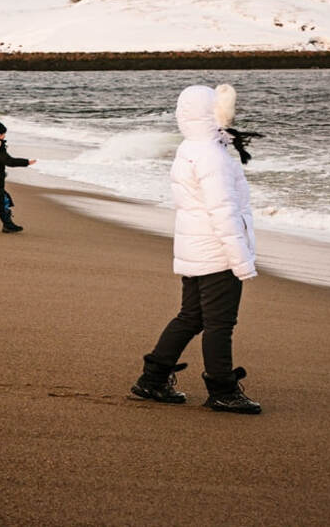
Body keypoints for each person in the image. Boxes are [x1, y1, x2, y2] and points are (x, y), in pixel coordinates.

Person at [130, 84, 262, 415]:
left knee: (191, 317)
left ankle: (153, 379)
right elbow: (223, 211)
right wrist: (241, 259)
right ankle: (223, 390)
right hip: (216, 250)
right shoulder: (212, 156)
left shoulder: (192, 148)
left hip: (195, 247)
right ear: (212, 113)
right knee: (219, 323)